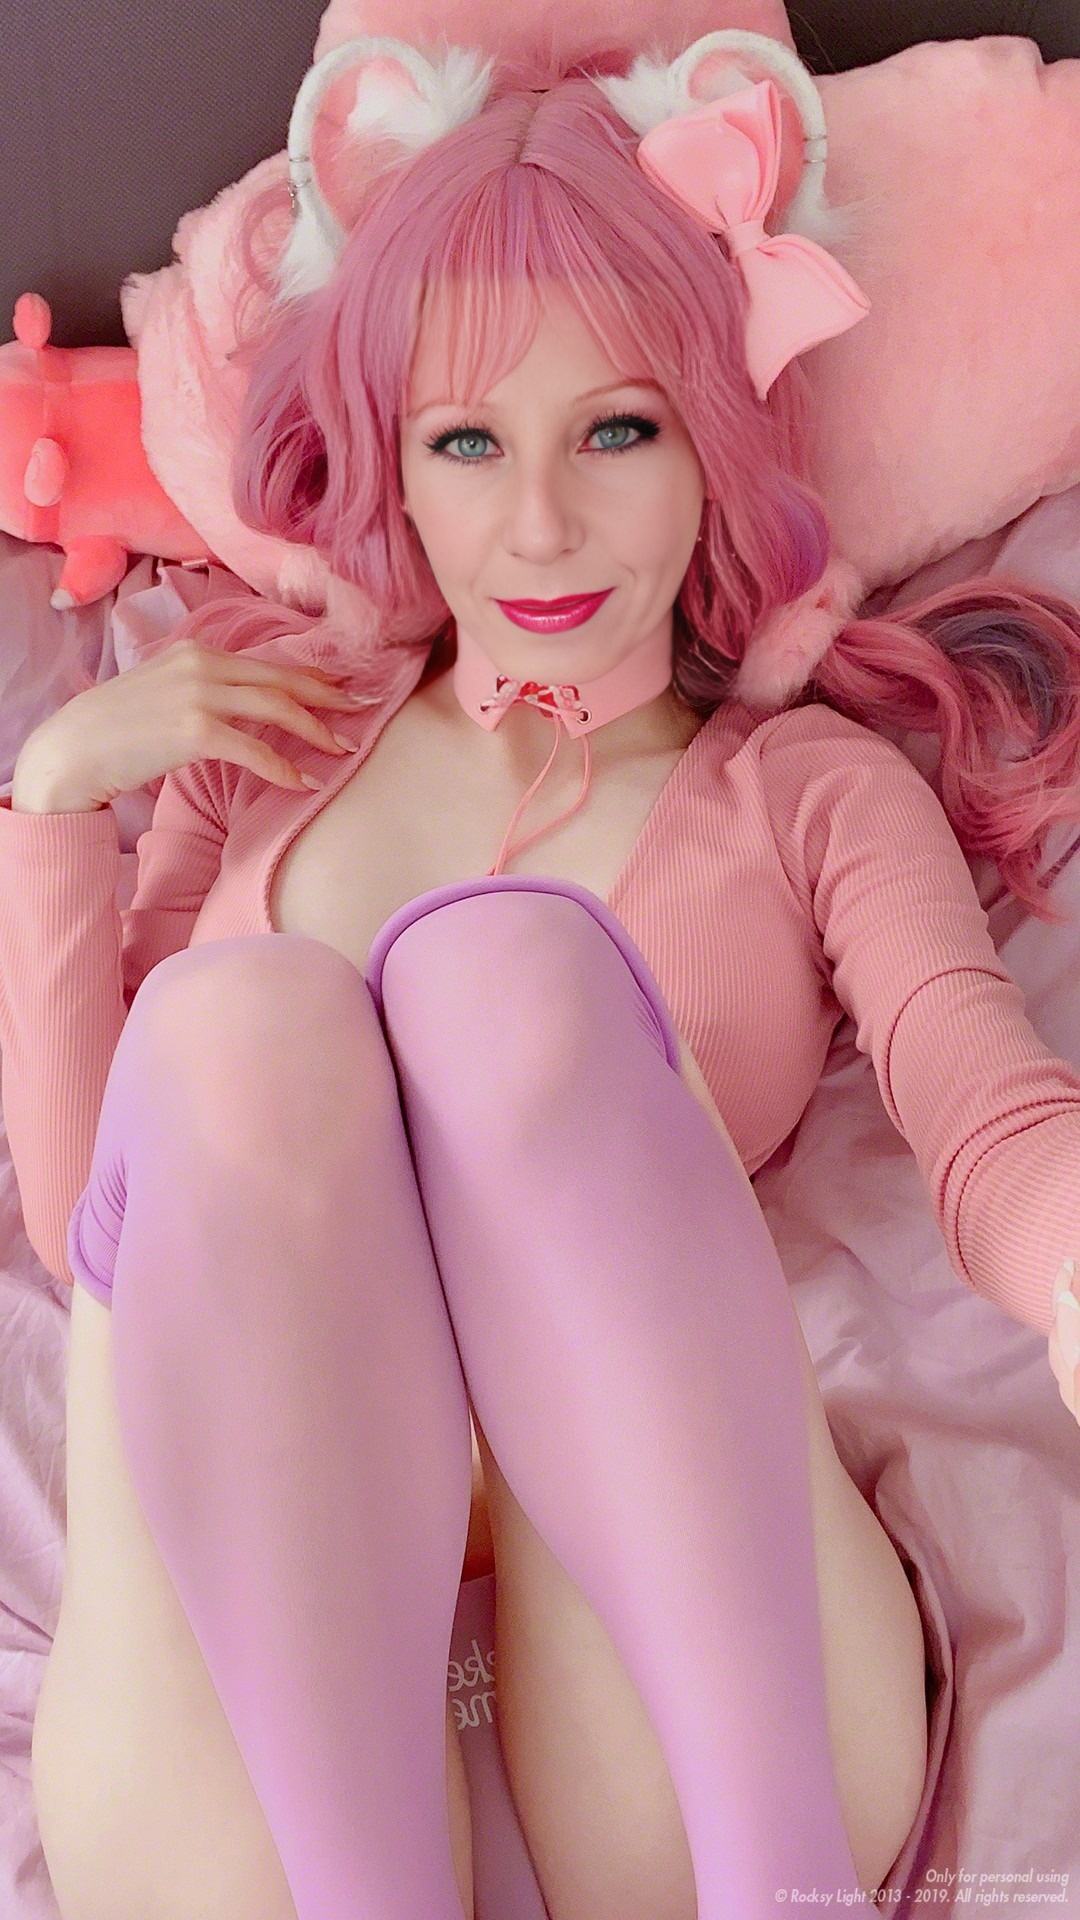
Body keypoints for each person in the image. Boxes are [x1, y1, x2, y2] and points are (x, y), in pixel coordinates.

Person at [4, 34, 1080, 1920]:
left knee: (511, 984)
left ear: (715, 435)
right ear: (397, 468)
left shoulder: (801, 788)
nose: (542, 527)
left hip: (680, 1671)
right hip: (254, 1702)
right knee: (241, 1033)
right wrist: (54, 806)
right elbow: (106, 1213)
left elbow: (978, 1094)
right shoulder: (260, 740)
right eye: (469, 442)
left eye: (619, 429)